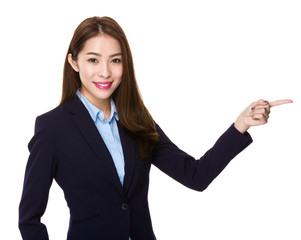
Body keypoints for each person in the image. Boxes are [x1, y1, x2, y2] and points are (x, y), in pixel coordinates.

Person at [18, 16, 293, 240]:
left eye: (115, 60)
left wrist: (240, 125)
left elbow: (195, 175)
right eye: (93, 60)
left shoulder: (137, 120)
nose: (105, 72)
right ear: (73, 62)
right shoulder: (53, 127)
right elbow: (29, 219)